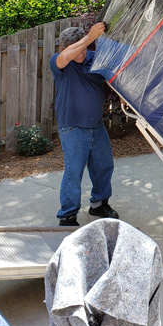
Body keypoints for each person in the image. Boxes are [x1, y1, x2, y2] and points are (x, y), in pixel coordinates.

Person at [50, 23, 118, 226]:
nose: (83, 52)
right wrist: (89, 38)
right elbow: (65, 58)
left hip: (96, 126)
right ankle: (68, 215)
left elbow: (113, 72)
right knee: (74, 171)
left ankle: (98, 205)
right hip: (72, 127)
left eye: (86, 48)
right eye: (78, 48)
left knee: (104, 166)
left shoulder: (93, 59)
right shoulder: (59, 61)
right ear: (65, 48)